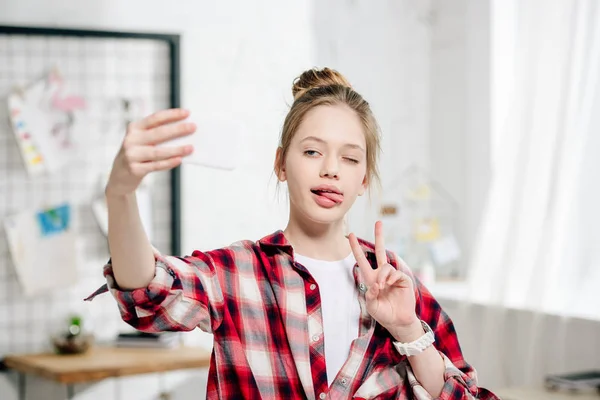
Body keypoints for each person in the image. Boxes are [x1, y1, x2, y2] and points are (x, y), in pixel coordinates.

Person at [85, 67, 499, 400]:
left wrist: (408, 331)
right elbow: (147, 294)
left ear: (364, 180)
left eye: (350, 158)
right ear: (282, 164)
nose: (331, 169)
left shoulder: (394, 278)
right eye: (312, 151)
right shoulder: (238, 272)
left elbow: (463, 395)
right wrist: (120, 193)